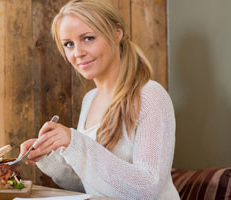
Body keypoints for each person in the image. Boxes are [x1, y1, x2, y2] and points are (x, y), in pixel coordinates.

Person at [19, 0, 180, 199]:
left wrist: (75, 141)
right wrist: (49, 157)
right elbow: (89, 185)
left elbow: (147, 188)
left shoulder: (150, 96)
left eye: (88, 38)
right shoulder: (90, 100)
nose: (78, 53)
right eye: (69, 44)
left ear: (116, 33)